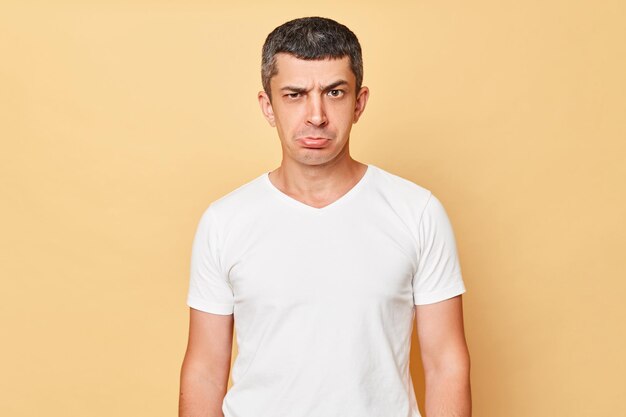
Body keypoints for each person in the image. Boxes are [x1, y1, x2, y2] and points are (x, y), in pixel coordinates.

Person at [179, 16, 471, 417]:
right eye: (295, 94)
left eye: (334, 92)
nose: (316, 115)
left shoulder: (417, 212)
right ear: (268, 106)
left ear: (359, 102)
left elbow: (446, 365)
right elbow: (204, 372)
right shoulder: (224, 221)